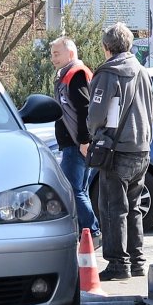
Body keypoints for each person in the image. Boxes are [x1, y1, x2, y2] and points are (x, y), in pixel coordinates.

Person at [87, 21, 153, 280]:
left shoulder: (108, 73)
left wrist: (94, 132)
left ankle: (118, 264)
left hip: (116, 150)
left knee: (113, 208)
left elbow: (96, 114)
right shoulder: (143, 71)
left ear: (107, 47)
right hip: (142, 149)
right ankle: (137, 261)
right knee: (134, 207)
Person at [49, 36, 99, 240]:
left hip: (76, 144)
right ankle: (86, 232)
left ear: (70, 53)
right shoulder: (67, 74)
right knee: (80, 190)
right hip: (74, 143)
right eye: (52, 54)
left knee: (72, 190)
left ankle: (92, 231)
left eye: (56, 53)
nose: (53, 58)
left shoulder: (76, 74)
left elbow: (84, 109)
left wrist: (85, 141)